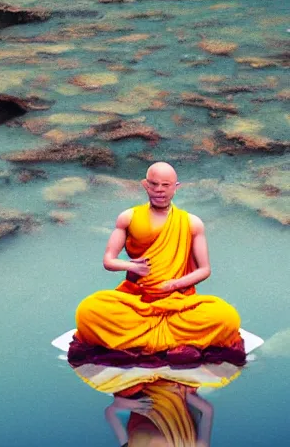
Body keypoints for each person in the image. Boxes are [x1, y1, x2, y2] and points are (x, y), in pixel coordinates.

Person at [68, 162, 245, 367]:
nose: (159, 190)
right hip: (138, 300)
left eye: (166, 185)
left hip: (178, 302)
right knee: (89, 309)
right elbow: (109, 260)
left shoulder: (191, 222)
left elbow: (204, 269)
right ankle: (177, 346)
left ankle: (136, 344)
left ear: (176, 187)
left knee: (226, 316)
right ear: (145, 185)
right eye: (154, 184)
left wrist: (174, 285)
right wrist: (131, 266)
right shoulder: (129, 217)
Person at [105, 380, 214, 447]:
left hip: (138, 384)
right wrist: (184, 395)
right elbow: (207, 411)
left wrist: (130, 404)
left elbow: (111, 411)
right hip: (175, 383)